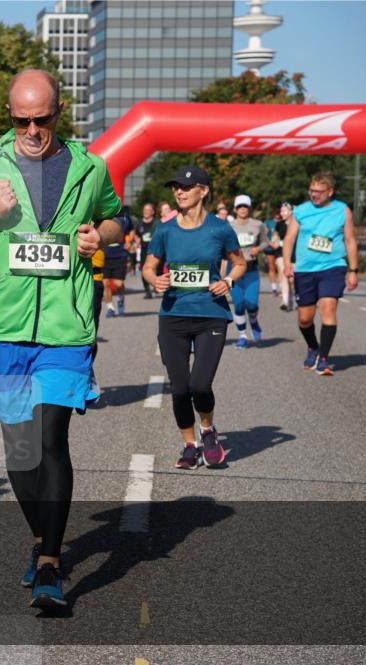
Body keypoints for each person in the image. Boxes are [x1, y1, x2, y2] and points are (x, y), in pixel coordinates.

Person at [0, 69, 123, 608]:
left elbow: (116, 221)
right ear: (10, 114)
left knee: (51, 440)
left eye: (41, 119)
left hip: (67, 327)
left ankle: (49, 562)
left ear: (58, 111)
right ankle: (41, 538)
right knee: (20, 452)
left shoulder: (90, 166)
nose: (31, 130)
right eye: (20, 119)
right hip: (5, 326)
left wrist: (101, 236)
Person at [142, 164, 245, 471]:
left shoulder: (219, 229)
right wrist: (153, 280)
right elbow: (149, 266)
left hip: (211, 315)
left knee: (200, 385)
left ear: (203, 191)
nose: (180, 192)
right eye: (176, 187)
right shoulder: (165, 230)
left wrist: (228, 282)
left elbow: (239, 263)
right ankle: (190, 444)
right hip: (173, 315)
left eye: (186, 187)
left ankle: (208, 429)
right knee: (180, 387)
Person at [282, 173, 359, 376]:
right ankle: (313, 347)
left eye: (318, 192)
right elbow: (289, 238)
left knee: (328, 307)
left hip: (333, 266)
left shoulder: (342, 210)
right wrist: (288, 262)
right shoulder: (301, 211)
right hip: (305, 269)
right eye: (311, 191)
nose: (314, 195)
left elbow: (350, 240)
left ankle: (323, 358)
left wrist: (353, 269)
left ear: (330, 192)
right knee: (305, 318)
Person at [225, 194, 269, 349]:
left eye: (245, 206)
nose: (242, 209)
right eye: (240, 207)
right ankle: (242, 335)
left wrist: (258, 248)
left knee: (251, 304)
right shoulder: (229, 226)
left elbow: (265, 242)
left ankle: (254, 320)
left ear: (249, 208)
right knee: (238, 304)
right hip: (234, 270)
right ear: (235, 209)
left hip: (251, 270)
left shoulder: (258, 224)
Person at [103, 206, 133, 317]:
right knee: (105, 283)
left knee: (118, 284)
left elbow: (131, 230)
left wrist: (130, 241)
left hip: (120, 254)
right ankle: (110, 308)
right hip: (105, 254)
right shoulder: (101, 215)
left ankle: (120, 299)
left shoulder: (124, 216)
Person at [275, 202, 296, 311]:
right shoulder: (279, 224)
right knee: (283, 274)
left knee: (292, 279)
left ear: (291, 211)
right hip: (281, 253)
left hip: (295, 254)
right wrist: (274, 242)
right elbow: (275, 236)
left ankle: (292, 298)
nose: (282, 213)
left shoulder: (298, 224)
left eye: (285, 211)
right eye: (281, 211)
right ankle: (285, 300)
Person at [136, 203, 157, 299]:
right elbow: (136, 234)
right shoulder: (139, 222)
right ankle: (147, 290)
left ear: (152, 212)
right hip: (143, 250)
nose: (146, 212)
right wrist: (136, 239)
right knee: (144, 269)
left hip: (155, 249)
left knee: (155, 268)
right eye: (145, 210)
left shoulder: (156, 223)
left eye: (148, 210)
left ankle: (156, 284)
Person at [263, 209, 280, 296]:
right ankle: (274, 288)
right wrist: (270, 243)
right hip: (270, 248)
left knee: (281, 268)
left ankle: (283, 288)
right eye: (276, 212)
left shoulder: (284, 221)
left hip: (280, 248)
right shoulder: (268, 222)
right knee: (272, 267)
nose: (277, 214)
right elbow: (264, 235)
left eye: (279, 212)